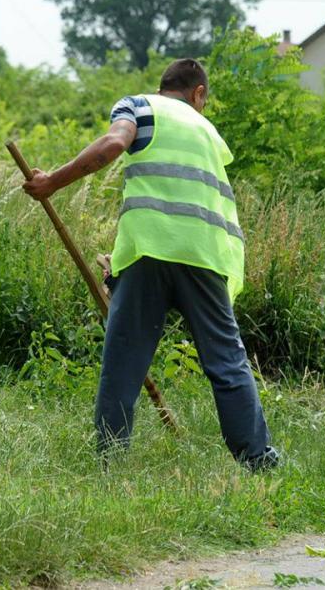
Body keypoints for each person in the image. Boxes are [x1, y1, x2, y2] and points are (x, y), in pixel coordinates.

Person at [23, 58, 279, 470]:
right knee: (228, 362)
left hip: (148, 254)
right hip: (206, 256)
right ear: (198, 94)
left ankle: (110, 462)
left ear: (165, 87)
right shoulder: (209, 132)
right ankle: (258, 460)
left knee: (123, 363)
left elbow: (111, 146)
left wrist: (52, 181)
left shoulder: (138, 106)